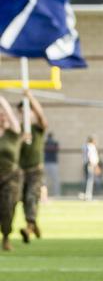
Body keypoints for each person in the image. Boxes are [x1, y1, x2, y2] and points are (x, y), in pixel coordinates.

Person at [18, 89, 48, 243]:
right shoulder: (17, 131)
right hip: (21, 171)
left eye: (27, 111)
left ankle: (29, 227)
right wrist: (21, 139)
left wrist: (30, 98)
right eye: (22, 112)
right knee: (24, 200)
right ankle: (33, 224)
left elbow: (41, 116)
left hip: (36, 169)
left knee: (31, 197)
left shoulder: (38, 129)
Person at [0, 96, 22, 251]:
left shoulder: (13, 133)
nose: (2, 117)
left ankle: (6, 237)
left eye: (4, 115)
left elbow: (10, 114)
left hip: (11, 176)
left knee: (8, 207)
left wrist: (1, 99)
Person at [81, 135, 100, 201]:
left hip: (86, 164)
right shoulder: (91, 146)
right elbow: (90, 155)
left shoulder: (84, 146)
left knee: (88, 180)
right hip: (90, 164)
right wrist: (95, 165)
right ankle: (88, 196)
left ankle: (86, 195)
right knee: (90, 180)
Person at [43, 132, 60, 198]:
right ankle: (44, 194)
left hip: (53, 163)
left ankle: (56, 194)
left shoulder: (55, 143)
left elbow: (56, 149)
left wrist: (50, 147)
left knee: (55, 179)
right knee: (45, 179)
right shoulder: (46, 143)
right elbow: (45, 149)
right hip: (46, 162)